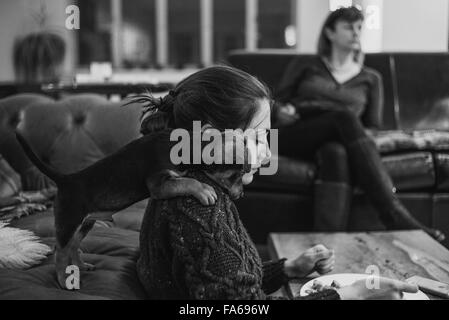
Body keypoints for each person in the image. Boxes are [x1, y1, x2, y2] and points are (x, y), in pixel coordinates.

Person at [136, 65, 418, 300]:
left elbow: (226, 280)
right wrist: (350, 295)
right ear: (212, 140)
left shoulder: (200, 189)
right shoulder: (196, 206)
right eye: (258, 139)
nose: (268, 153)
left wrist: (286, 269)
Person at [274, 6, 444, 241]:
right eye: (348, 27)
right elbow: (275, 102)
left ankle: (328, 241)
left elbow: (372, 127)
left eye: (359, 27)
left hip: (338, 140)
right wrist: (282, 110)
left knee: (336, 151)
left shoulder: (371, 78)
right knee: (343, 116)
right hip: (297, 134)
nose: (356, 32)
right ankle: (393, 214)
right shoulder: (306, 64)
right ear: (330, 33)